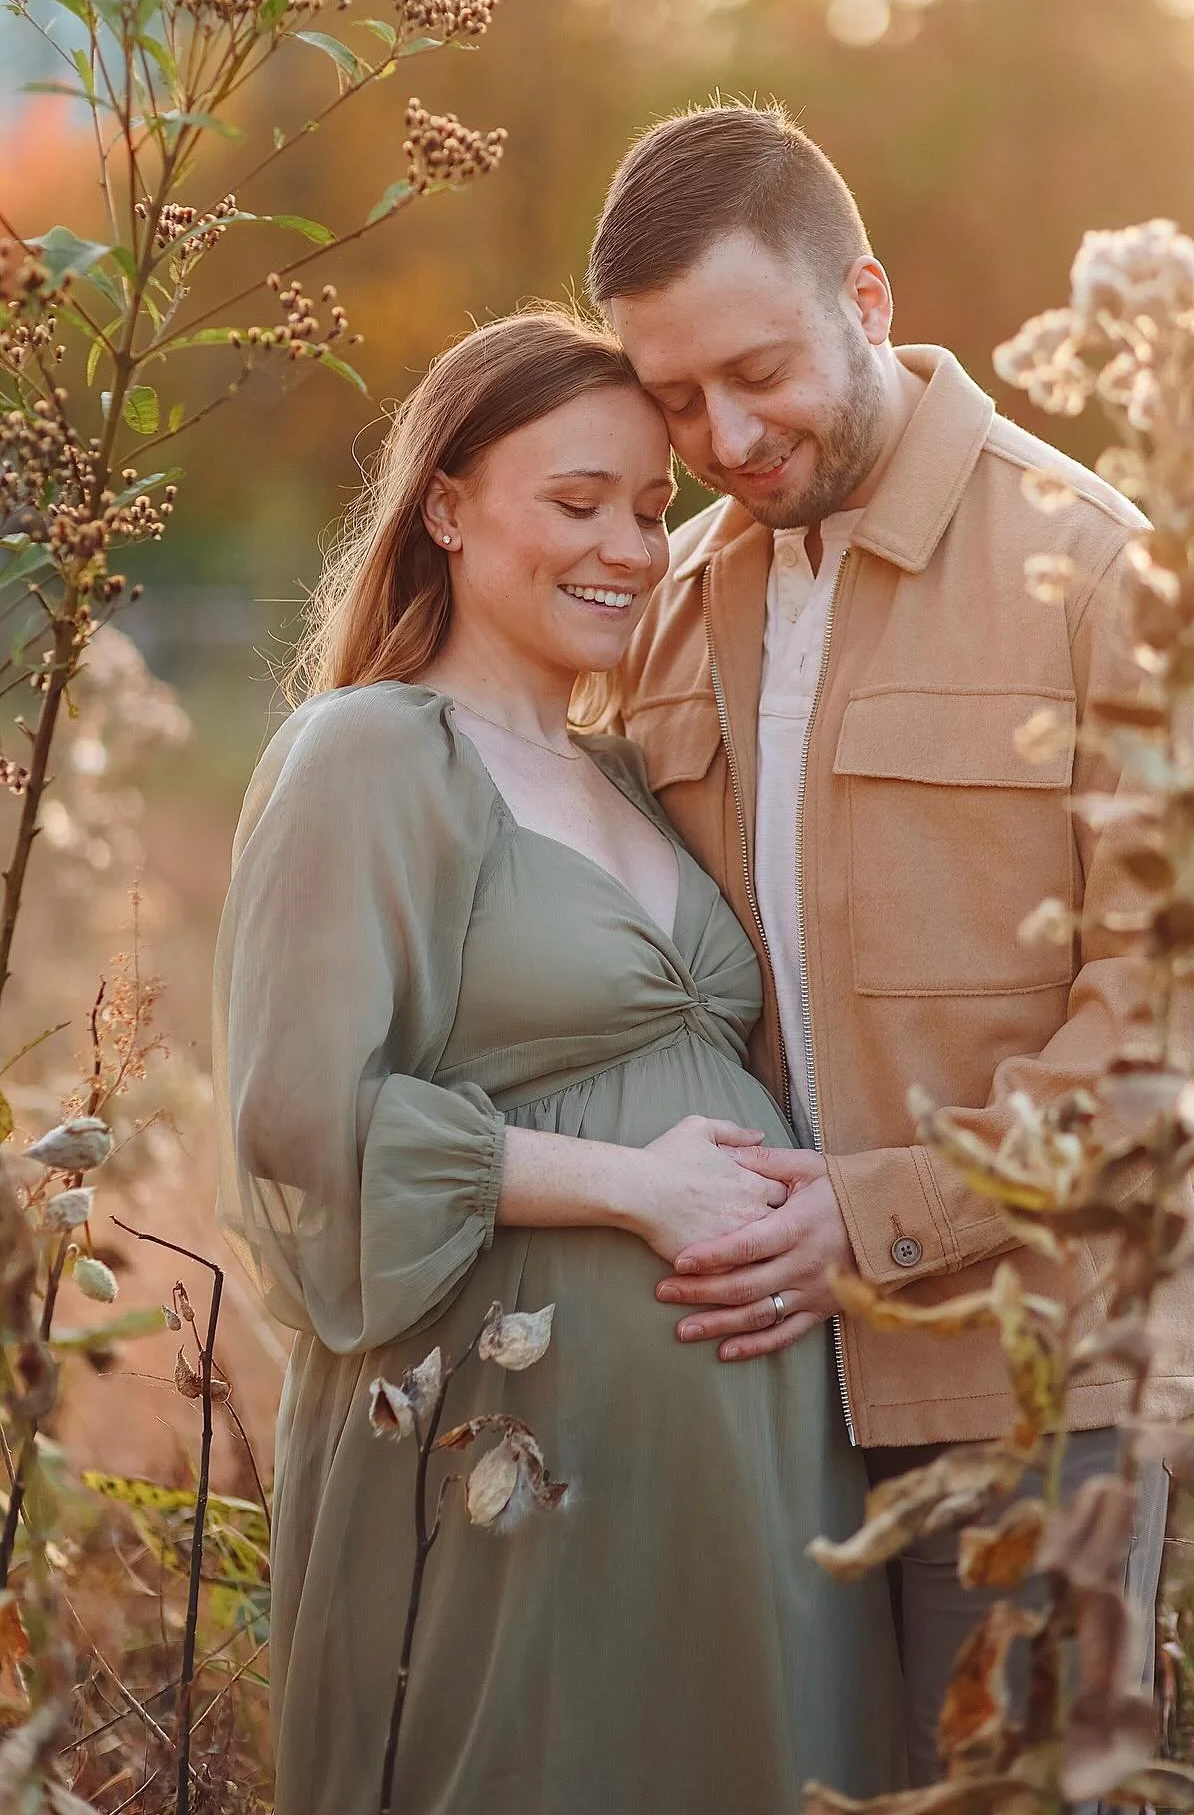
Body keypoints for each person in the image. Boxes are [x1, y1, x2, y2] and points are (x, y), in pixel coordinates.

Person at [589, 105, 1194, 1785]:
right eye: (674, 399)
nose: (725, 435)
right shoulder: (668, 600)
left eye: (759, 371)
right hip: (752, 1389)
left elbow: (1184, 1012)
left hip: (1033, 1384)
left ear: (869, 300)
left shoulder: (1097, 570)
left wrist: (884, 1213)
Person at [213, 309, 904, 1815]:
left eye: (652, 510)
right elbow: (295, 1121)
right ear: (447, 509)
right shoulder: (372, 754)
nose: (629, 549)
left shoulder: (626, 771)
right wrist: (629, 1188)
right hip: (513, 1451)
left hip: (754, 1455)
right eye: (577, 502)